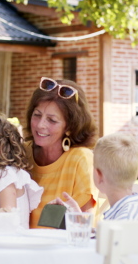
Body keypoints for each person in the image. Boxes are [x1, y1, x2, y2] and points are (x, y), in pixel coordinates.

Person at [25, 77, 99, 228]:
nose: (40, 125)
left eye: (52, 120)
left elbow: (84, 225)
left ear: (70, 127)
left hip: (60, 248)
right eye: (37, 115)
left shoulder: (81, 159)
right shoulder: (22, 153)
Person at [51, 132, 138, 220]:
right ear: (136, 173)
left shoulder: (124, 219)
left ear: (99, 176)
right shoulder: (129, 212)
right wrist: (78, 218)